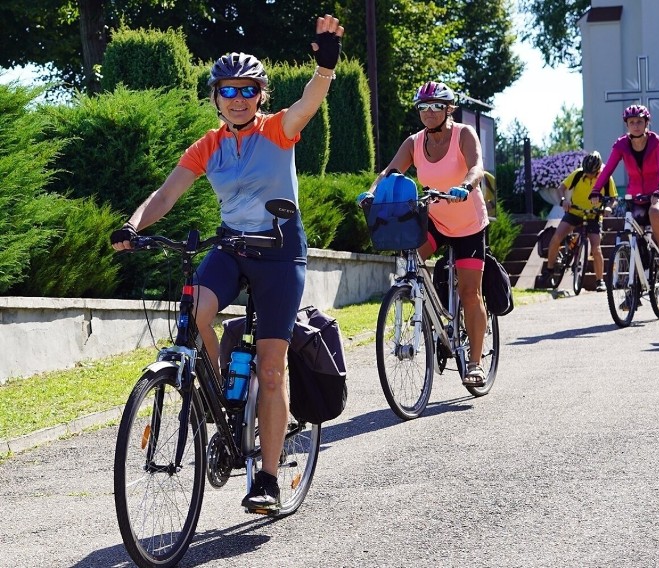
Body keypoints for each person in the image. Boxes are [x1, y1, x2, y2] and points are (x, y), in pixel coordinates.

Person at [109, 15, 345, 511]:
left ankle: (268, 479)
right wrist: (135, 226)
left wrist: (325, 65)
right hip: (232, 247)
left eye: (247, 90)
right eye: (227, 91)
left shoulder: (279, 130)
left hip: (280, 253)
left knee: (273, 366)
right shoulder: (208, 145)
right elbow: (167, 193)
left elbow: (309, 102)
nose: (237, 99)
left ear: (259, 94)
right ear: (215, 97)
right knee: (193, 314)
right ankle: (220, 392)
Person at [358, 81, 489, 386]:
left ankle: (476, 362)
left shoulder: (463, 134)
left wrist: (466, 187)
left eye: (435, 106)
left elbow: (477, 166)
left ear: (448, 109)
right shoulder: (414, 142)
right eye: (423, 107)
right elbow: (390, 171)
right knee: (411, 260)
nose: (428, 113)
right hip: (435, 221)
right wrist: (373, 192)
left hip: (469, 224)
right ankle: (425, 306)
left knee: (470, 292)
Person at [590, 104, 659, 266]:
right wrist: (595, 190)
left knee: (655, 212)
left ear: (646, 123)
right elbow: (607, 170)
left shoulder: (657, 142)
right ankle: (634, 282)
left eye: (639, 122)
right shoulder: (621, 145)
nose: (635, 125)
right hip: (636, 195)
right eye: (632, 122)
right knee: (633, 235)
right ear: (627, 125)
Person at [540, 151, 617, 292]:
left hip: (594, 215)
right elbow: (561, 188)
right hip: (574, 212)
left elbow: (613, 198)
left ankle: (600, 281)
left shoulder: (606, 178)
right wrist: (564, 201)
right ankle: (549, 271)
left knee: (596, 247)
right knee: (556, 237)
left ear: (598, 169)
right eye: (586, 172)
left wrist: (607, 208)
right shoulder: (578, 174)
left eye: (591, 173)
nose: (588, 175)